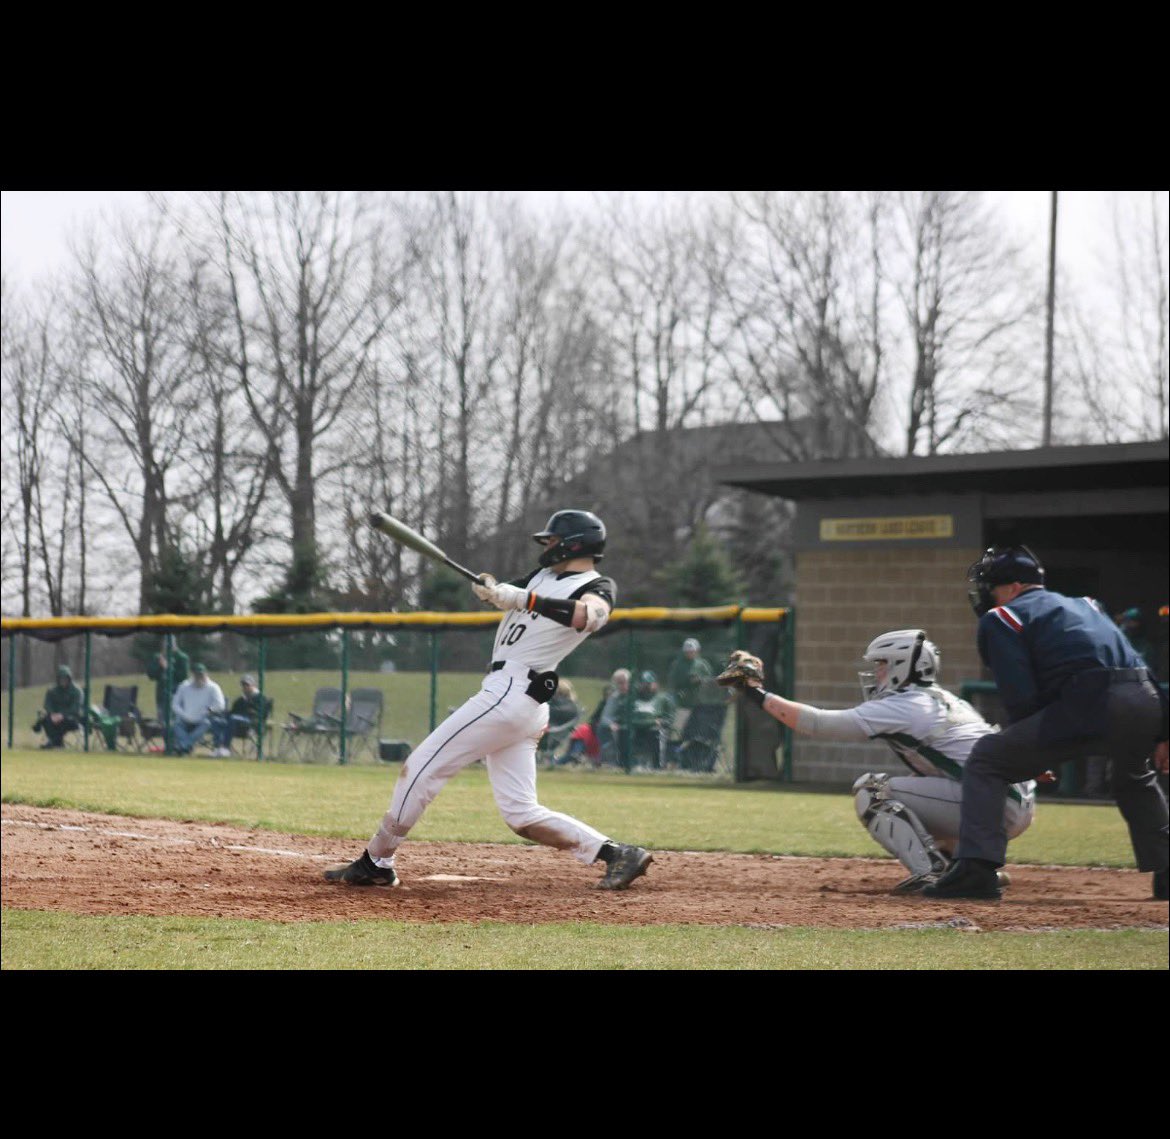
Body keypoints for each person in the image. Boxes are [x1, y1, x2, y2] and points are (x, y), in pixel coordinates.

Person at [324, 509, 653, 891]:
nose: (546, 546)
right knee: (521, 813)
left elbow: (588, 617)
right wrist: (494, 590)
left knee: (420, 766)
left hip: (512, 693)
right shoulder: (543, 577)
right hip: (518, 700)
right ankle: (617, 854)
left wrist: (523, 598)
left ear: (574, 543)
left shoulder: (596, 585)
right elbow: (509, 592)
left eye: (551, 539)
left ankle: (376, 861)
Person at [921, 545, 1169, 902]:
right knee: (1133, 776)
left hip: (1090, 701)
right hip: (1144, 699)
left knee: (988, 758)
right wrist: (1164, 729)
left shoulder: (1002, 617)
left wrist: (1034, 755)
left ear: (1014, 586)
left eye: (992, 586)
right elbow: (1139, 666)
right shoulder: (1088, 604)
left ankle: (976, 869)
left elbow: (1020, 696)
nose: (988, 593)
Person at [717, 632, 1034, 894]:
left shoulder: (906, 704)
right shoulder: (944, 699)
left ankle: (932, 874)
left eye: (883, 664)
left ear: (902, 666)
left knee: (873, 790)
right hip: (1006, 800)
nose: (877, 671)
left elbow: (818, 724)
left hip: (994, 804)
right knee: (911, 806)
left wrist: (756, 693)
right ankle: (968, 870)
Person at [169, 662, 226, 756]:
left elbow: (220, 705)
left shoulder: (213, 687)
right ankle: (186, 746)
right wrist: (183, 714)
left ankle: (183, 746)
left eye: (201, 675)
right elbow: (175, 704)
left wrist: (209, 710)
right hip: (185, 718)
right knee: (175, 725)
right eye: (197, 675)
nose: (199, 677)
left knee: (207, 723)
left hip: (203, 719)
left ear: (205, 674)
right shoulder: (184, 686)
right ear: (193, 674)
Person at [145, 636, 189, 748]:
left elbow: (183, 677)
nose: (167, 646)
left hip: (177, 696)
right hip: (161, 696)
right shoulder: (159, 657)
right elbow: (151, 675)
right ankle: (168, 746)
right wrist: (160, 666)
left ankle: (178, 745)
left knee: (175, 722)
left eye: (170, 643)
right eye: (165, 643)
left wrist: (168, 667)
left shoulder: (181, 657)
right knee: (163, 722)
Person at [628, 670, 676, 770]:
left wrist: (661, 722)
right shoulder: (633, 698)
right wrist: (652, 721)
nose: (647, 687)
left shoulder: (663, 699)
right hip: (636, 728)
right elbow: (629, 718)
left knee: (658, 734)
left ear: (656, 684)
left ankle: (658, 766)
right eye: (644, 684)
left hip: (654, 730)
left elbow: (669, 718)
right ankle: (630, 764)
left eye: (649, 684)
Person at [209, 674, 265, 757]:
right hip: (235, 724)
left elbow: (261, 714)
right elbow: (232, 712)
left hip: (251, 724)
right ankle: (217, 747)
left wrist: (250, 710)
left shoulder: (260, 698)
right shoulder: (241, 699)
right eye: (243, 685)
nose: (245, 687)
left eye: (247, 685)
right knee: (216, 721)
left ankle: (225, 748)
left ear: (253, 685)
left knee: (233, 718)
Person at [33, 665, 84, 749]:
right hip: (54, 717)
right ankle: (55, 742)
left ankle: (55, 742)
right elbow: (47, 705)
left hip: (71, 718)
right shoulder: (52, 691)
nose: (63, 681)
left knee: (64, 722)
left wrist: (62, 715)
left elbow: (76, 708)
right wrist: (53, 714)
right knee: (46, 720)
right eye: (61, 678)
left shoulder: (77, 691)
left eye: (65, 678)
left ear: (69, 679)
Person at [596, 667, 632, 766]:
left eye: (623, 682)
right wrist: (611, 724)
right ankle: (610, 764)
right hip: (618, 727)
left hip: (635, 725)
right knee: (603, 728)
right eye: (618, 683)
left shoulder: (636, 695)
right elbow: (605, 717)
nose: (621, 686)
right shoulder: (614, 697)